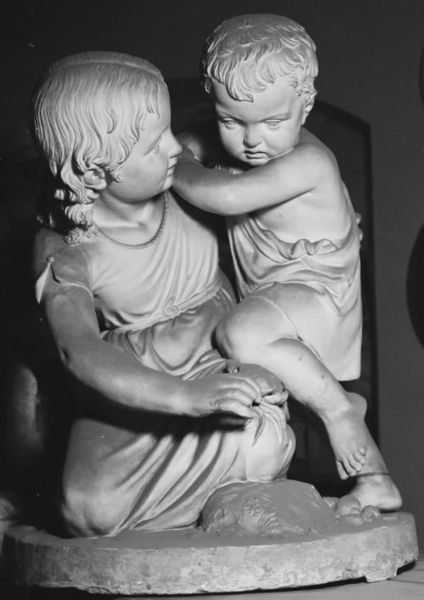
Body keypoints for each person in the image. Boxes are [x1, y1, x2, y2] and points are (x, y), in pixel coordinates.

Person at [32, 51, 295, 537]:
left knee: (264, 438)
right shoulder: (68, 248)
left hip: (217, 353)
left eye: (169, 131)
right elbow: (79, 350)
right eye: (154, 144)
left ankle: (229, 498)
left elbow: (281, 160)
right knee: (88, 511)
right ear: (95, 172)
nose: (176, 147)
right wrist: (185, 397)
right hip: (136, 389)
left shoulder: (187, 185)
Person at [173, 14, 401, 512]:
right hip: (273, 290)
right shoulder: (240, 138)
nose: (252, 140)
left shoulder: (309, 162)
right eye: (231, 121)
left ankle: (340, 411)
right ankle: (375, 480)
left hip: (317, 293)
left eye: (273, 122)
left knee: (241, 334)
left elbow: (224, 195)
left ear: (306, 106)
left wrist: (172, 163)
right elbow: (190, 138)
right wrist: (186, 146)